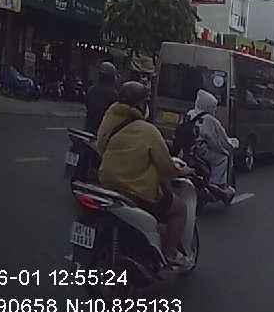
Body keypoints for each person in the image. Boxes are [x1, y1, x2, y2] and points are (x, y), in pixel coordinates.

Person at [96, 80, 192, 269]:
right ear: (141, 104)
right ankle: (170, 253)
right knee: (179, 209)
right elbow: (166, 166)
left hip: (107, 184)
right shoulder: (148, 130)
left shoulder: (109, 118)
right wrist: (183, 171)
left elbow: (101, 147)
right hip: (135, 190)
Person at [187, 89, 234, 189]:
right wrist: (228, 146)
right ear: (209, 106)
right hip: (201, 152)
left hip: (187, 149)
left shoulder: (189, 114)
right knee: (223, 159)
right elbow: (219, 141)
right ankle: (216, 185)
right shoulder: (210, 120)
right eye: (214, 107)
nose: (215, 110)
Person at [84, 62, 119, 135]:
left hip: (89, 128)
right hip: (104, 131)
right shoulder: (113, 93)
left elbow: (87, 105)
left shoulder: (91, 90)